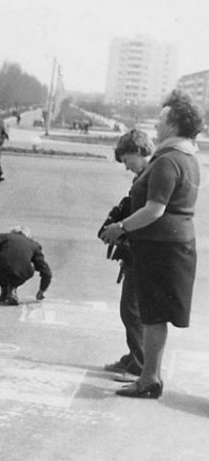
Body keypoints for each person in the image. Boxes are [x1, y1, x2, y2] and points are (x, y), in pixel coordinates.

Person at [101, 89, 203, 399]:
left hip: (162, 248)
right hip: (173, 246)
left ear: (173, 124)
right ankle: (149, 376)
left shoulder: (168, 160)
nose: (156, 127)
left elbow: (155, 209)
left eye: (161, 120)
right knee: (155, 316)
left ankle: (149, 380)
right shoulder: (187, 156)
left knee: (154, 316)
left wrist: (120, 227)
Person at [98, 130, 153, 382]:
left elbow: (147, 213)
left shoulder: (149, 176)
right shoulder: (145, 175)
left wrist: (121, 229)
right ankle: (135, 356)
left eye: (127, 159)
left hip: (144, 252)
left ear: (140, 151)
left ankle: (140, 364)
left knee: (132, 309)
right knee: (131, 308)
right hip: (137, 250)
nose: (127, 167)